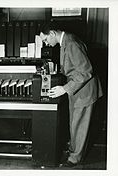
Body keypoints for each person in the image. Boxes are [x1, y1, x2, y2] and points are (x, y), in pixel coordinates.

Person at [39, 22, 103, 167]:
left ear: (52, 34)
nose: (46, 44)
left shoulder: (71, 43)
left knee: (79, 125)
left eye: (45, 40)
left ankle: (75, 159)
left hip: (85, 91)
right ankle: (74, 151)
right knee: (74, 123)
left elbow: (86, 71)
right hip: (77, 89)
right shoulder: (66, 40)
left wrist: (64, 88)